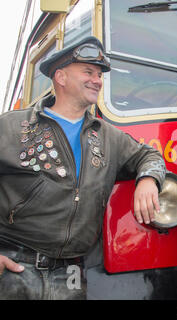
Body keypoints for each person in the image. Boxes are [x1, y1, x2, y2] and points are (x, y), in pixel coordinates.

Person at [0, 36, 166, 299]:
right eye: (88, 72)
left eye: (99, 74)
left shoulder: (108, 136)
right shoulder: (10, 127)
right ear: (61, 77)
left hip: (71, 273)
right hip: (14, 268)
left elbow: (150, 156)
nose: (98, 80)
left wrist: (148, 179)